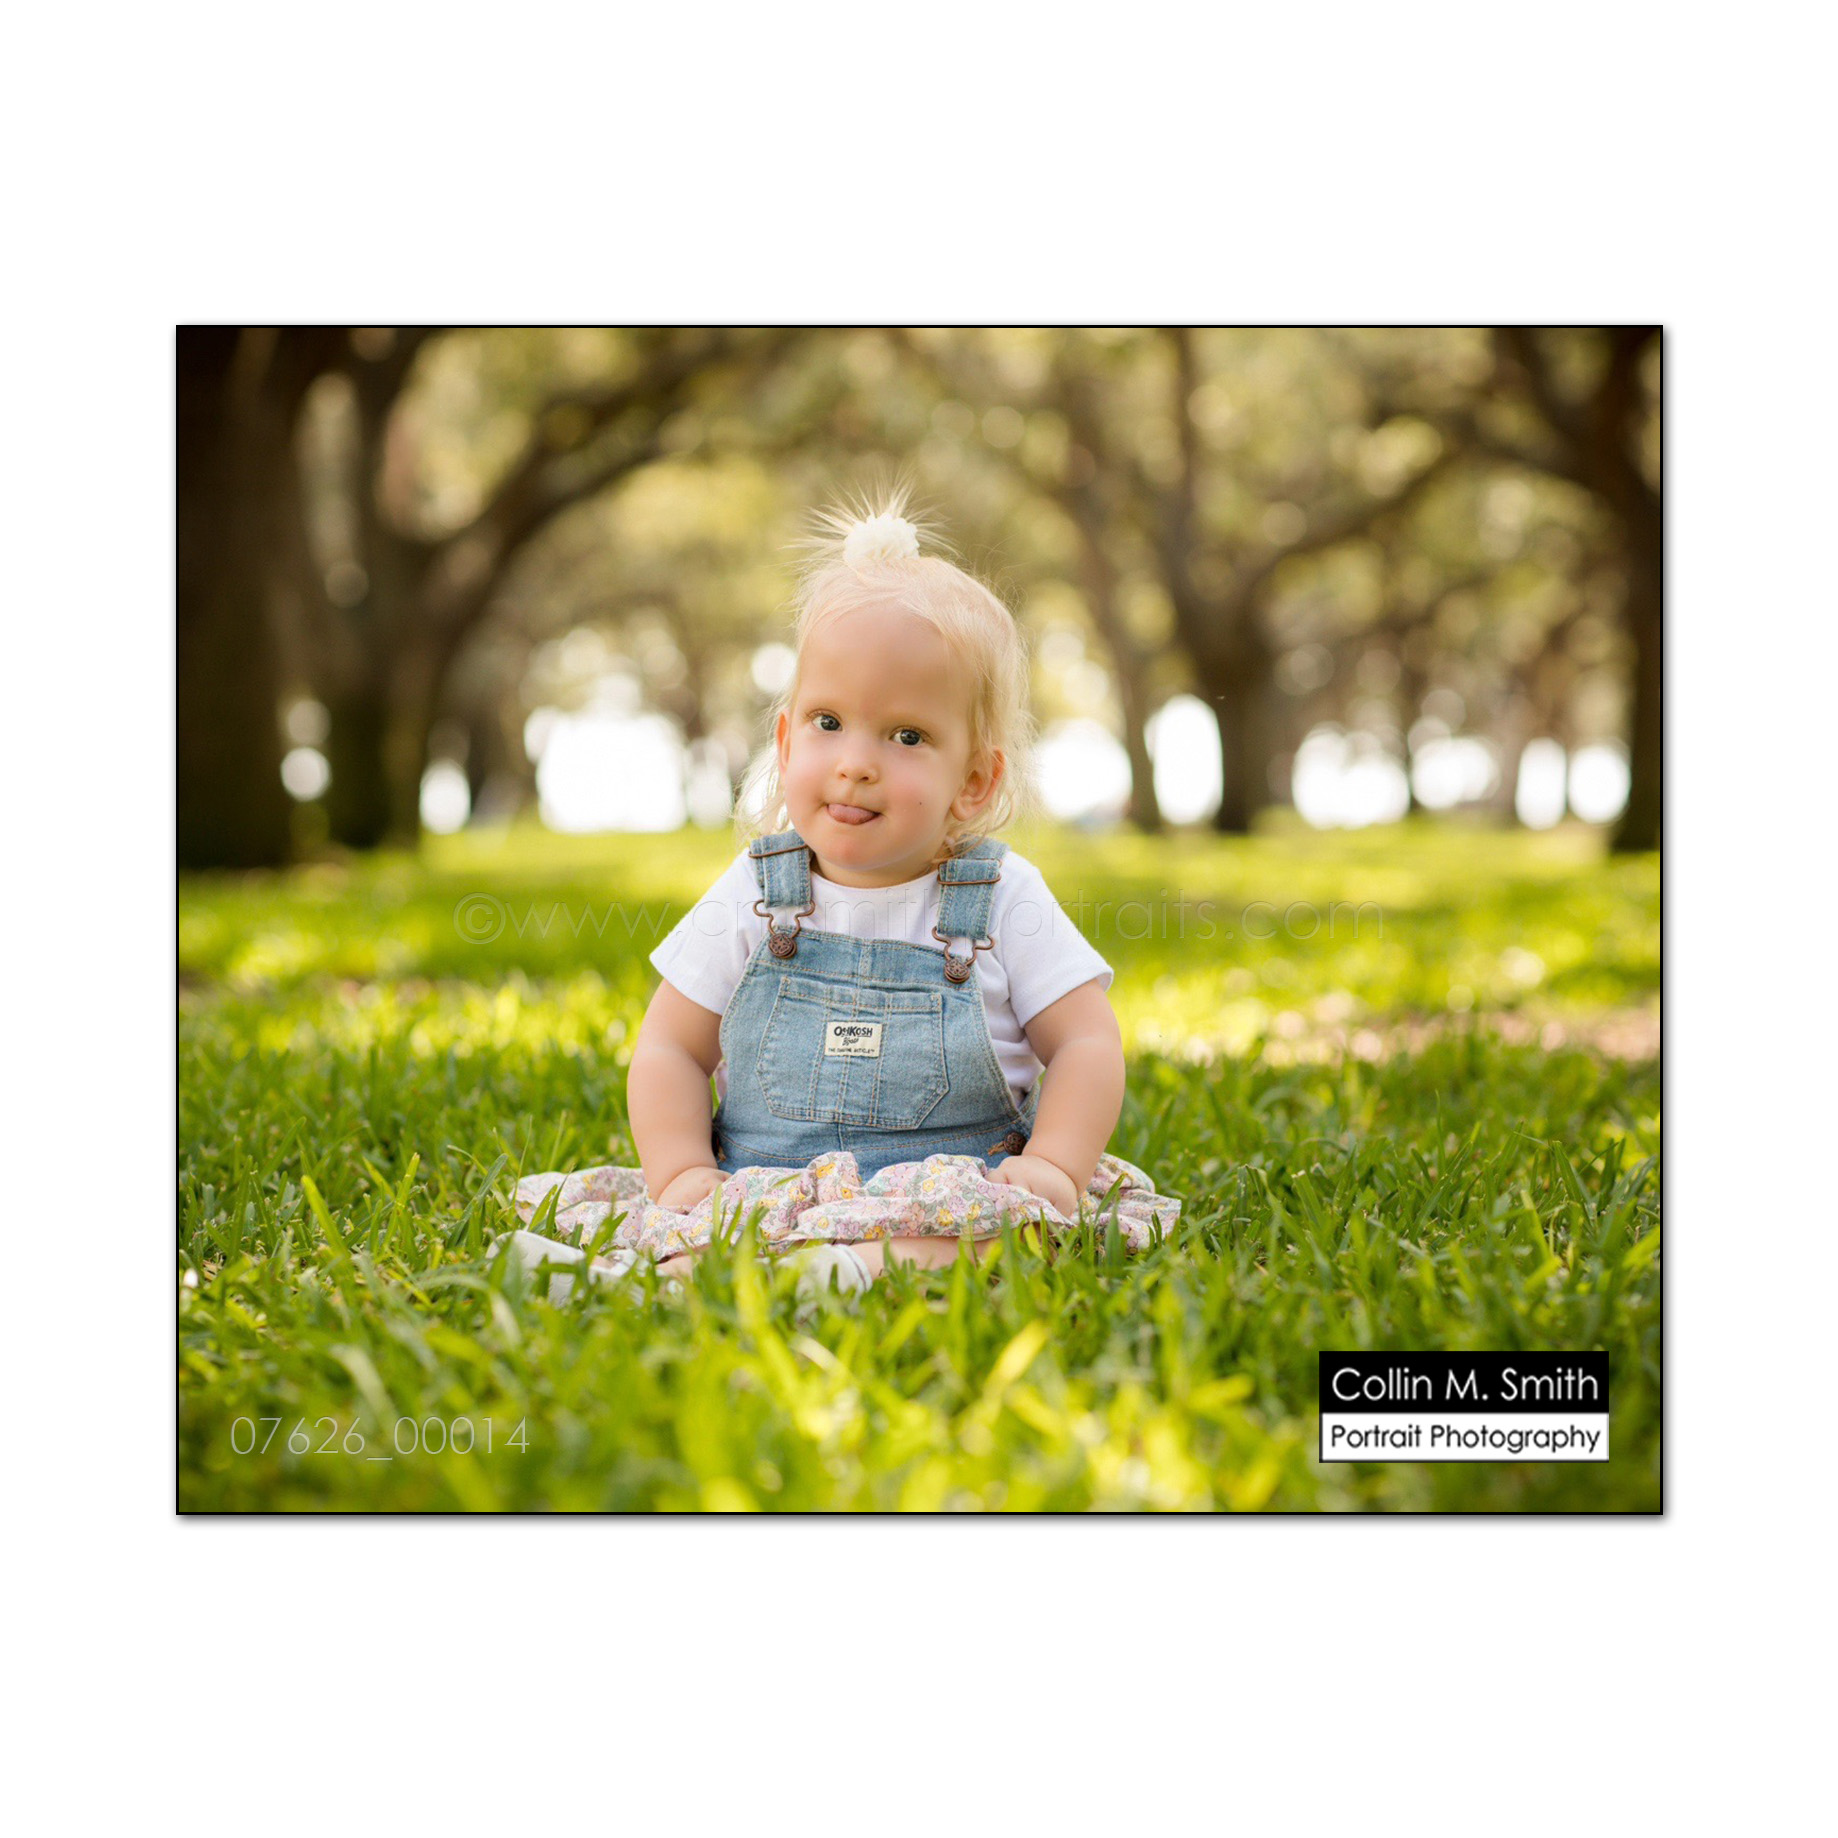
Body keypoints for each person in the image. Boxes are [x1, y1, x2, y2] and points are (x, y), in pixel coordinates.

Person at [626, 487, 1131, 1292]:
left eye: (906, 735)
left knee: (1017, 1238)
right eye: (828, 723)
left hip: (951, 1201)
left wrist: (1056, 1168)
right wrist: (684, 1171)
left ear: (974, 779)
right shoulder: (754, 892)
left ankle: (841, 1275)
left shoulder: (1001, 896)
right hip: (768, 1194)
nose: (856, 763)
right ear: (786, 740)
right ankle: (681, 1276)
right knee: (698, 1243)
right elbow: (671, 1048)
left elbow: (1086, 1043)